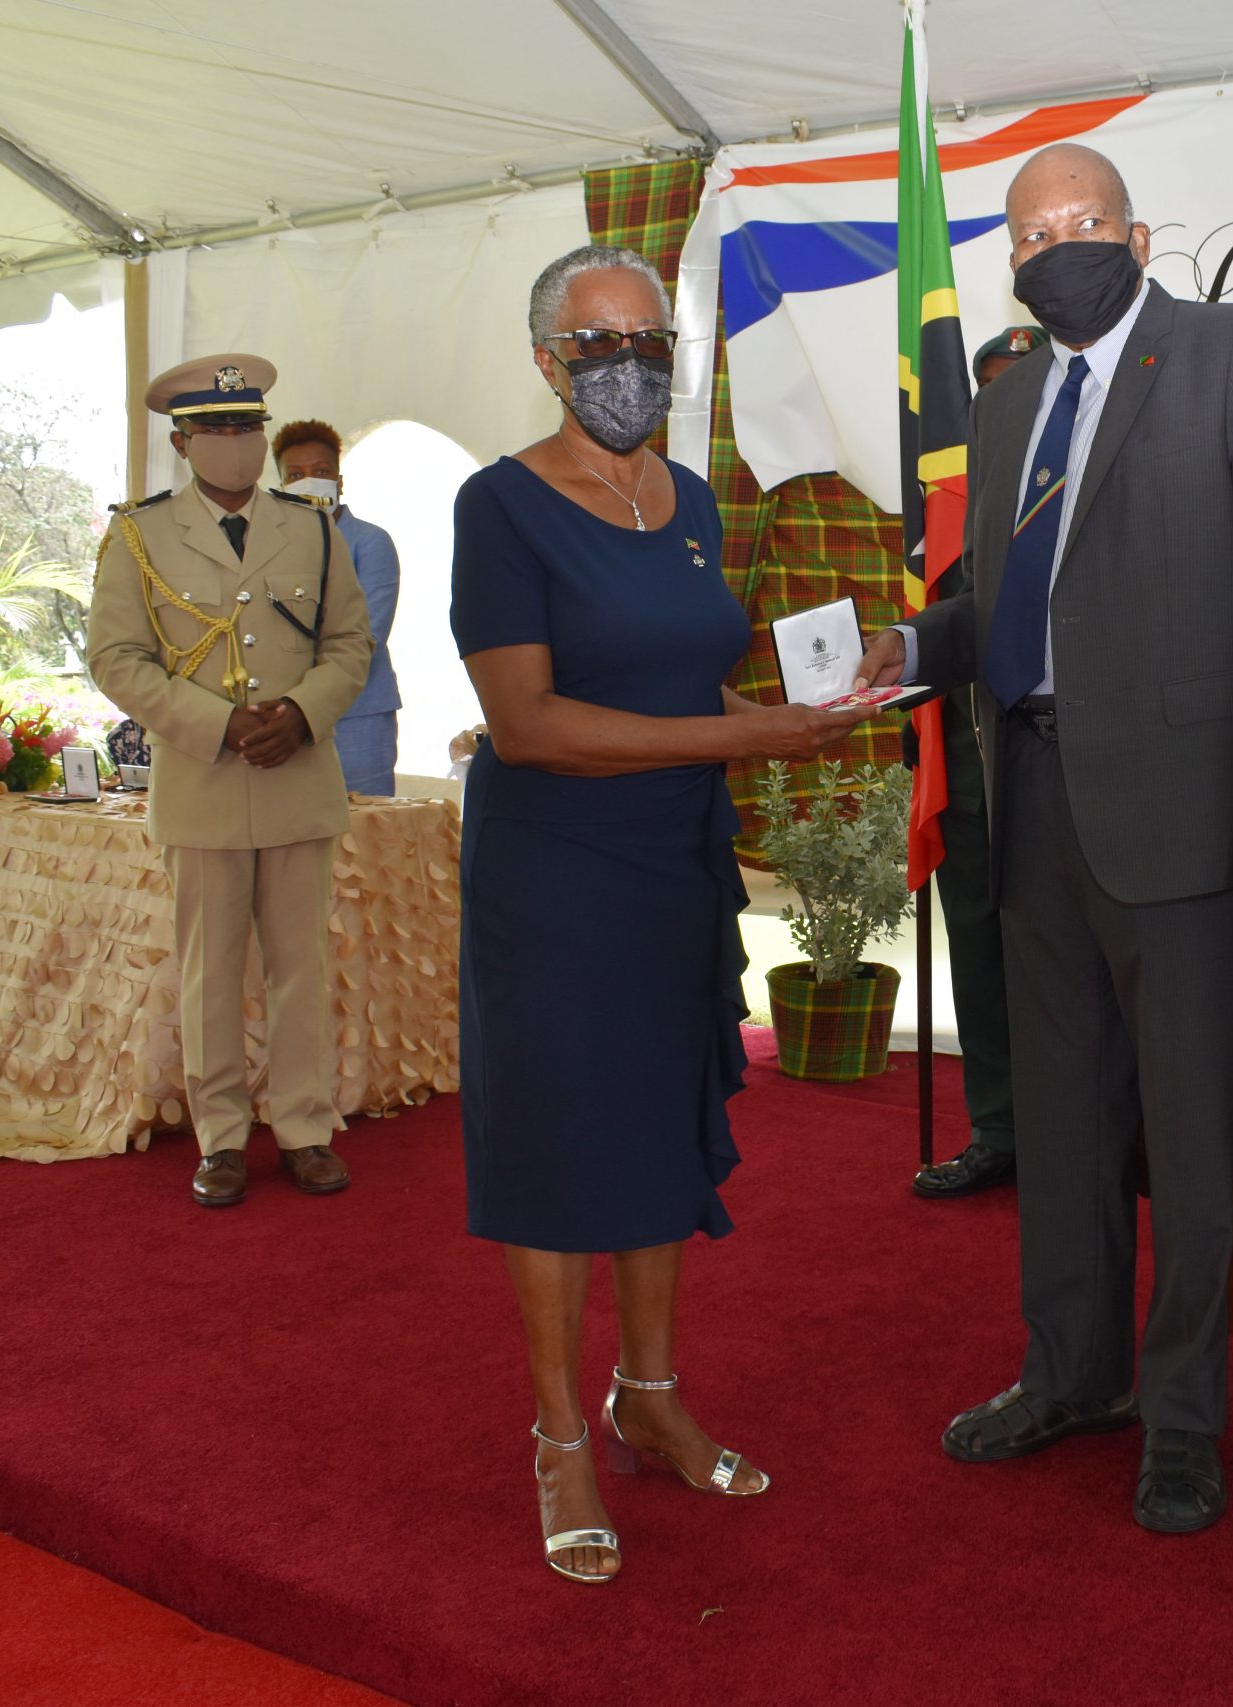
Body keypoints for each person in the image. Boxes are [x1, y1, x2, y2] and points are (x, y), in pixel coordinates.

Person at [855, 144, 1233, 1535]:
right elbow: (1003, 607)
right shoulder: (1008, 405)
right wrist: (907, 643)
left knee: (1186, 1137)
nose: (1055, 245)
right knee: (1060, 1125)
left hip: (1193, 814)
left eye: (1081, 223)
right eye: (1029, 232)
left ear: (1138, 234)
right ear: (1009, 259)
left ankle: (1183, 1416)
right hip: (1036, 804)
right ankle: (1070, 1371)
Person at [451, 244, 864, 1584]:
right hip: (555, 877)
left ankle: (651, 1390)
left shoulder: (690, 499)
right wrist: (738, 737)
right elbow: (530, 722)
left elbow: (697, 690)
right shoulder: (499, 506)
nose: (626, 366)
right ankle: (560, 1428)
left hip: (677, 862)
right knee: (561, 1145)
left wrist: (805, 720)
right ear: (546, 359)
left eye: (648, 343)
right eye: (596, 345)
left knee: (655, 1133)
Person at [86, 354, 374, 1208]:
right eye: (215, 430)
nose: (235, 445)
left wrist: (301, 712)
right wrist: (215, 722)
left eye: (246, 427)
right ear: (182, 441)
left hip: (297, 776)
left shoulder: (314, 528)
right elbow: (115, 656)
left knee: (301, 966)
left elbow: (350, 644)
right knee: (210, 971)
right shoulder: (138, 534)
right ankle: (220, 1139)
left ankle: (305, 1130)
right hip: (203, 780)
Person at [911, 323, 1050, 1201]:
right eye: (990, 387)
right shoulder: (953, 510)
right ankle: (998, 1129)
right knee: (983, 964)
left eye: (1023, 379)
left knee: (1074, 975)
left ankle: (1093, 1136)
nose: (1007, 398)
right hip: (971, 785)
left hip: (1060, 788)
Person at [273, 420, 403, 795]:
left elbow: (368, 636)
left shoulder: (370, 542)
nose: (308, 481)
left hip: (357, 715)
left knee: (362, 833)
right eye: (295, 475)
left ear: (339, 481)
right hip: (286, 717)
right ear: (281, 485)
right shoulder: (269, 547)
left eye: (320, 471)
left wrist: (306, 696)